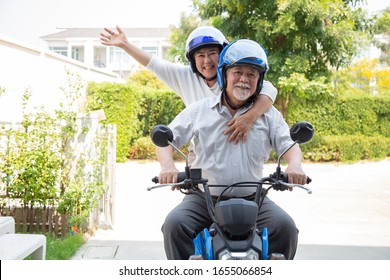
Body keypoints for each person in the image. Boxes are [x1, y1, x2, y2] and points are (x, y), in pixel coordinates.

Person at [155, 39, 308, 260]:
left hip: (254, 199)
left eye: (252, 74)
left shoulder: (268, 114)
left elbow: (289, 146)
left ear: (259, 80)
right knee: (174, 225)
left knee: (286, 228)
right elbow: (165, 141)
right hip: (204, 199)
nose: (244, 79)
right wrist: (167, 166)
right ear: (224, 75)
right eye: (238, 72)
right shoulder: (199, 110)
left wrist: (295, 166)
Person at [100, 25, 277, 144]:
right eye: (200, 55)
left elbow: (269, 90)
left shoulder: (237, 78)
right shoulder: (185, 76)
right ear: (192, 60)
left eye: (212, 53)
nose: (207, 61)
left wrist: (250, 117)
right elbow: (153, 63)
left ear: (223, 55)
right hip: (202, 154)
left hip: (240, 148)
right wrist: (125, 45)